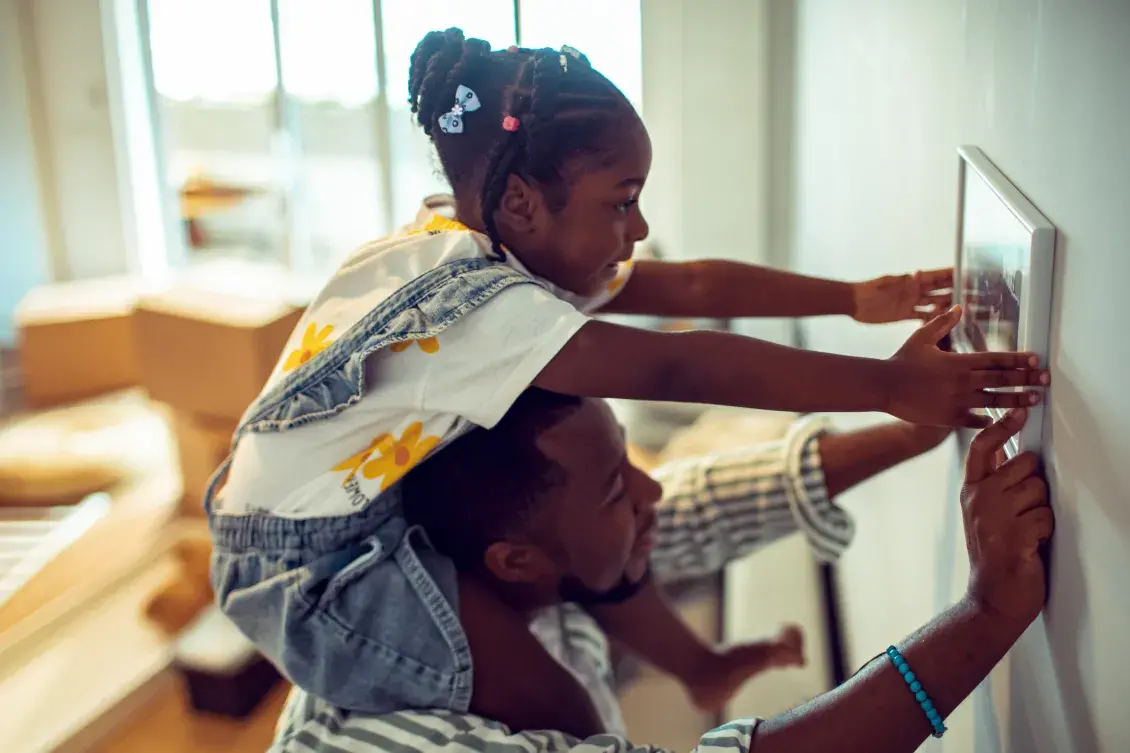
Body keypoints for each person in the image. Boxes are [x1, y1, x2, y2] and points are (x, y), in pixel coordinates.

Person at [207, 27, 1048, 737]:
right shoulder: (479, 311)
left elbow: (691, 290)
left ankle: (702, 667)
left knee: (587, 542)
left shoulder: (485, 236)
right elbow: (679, 359)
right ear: (528, 204)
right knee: (553, 698)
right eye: (622, 201)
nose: (639, 228)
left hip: (333, 504)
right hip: (306, 570)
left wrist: (855, 299)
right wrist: (889, 385)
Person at [268, 395, 1053, 753]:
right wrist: (986, 613)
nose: (651, 490)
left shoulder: (485, 563)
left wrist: (917, 425)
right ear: (517, 559)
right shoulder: (403, 733)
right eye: (618, 486)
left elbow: (701, 504)